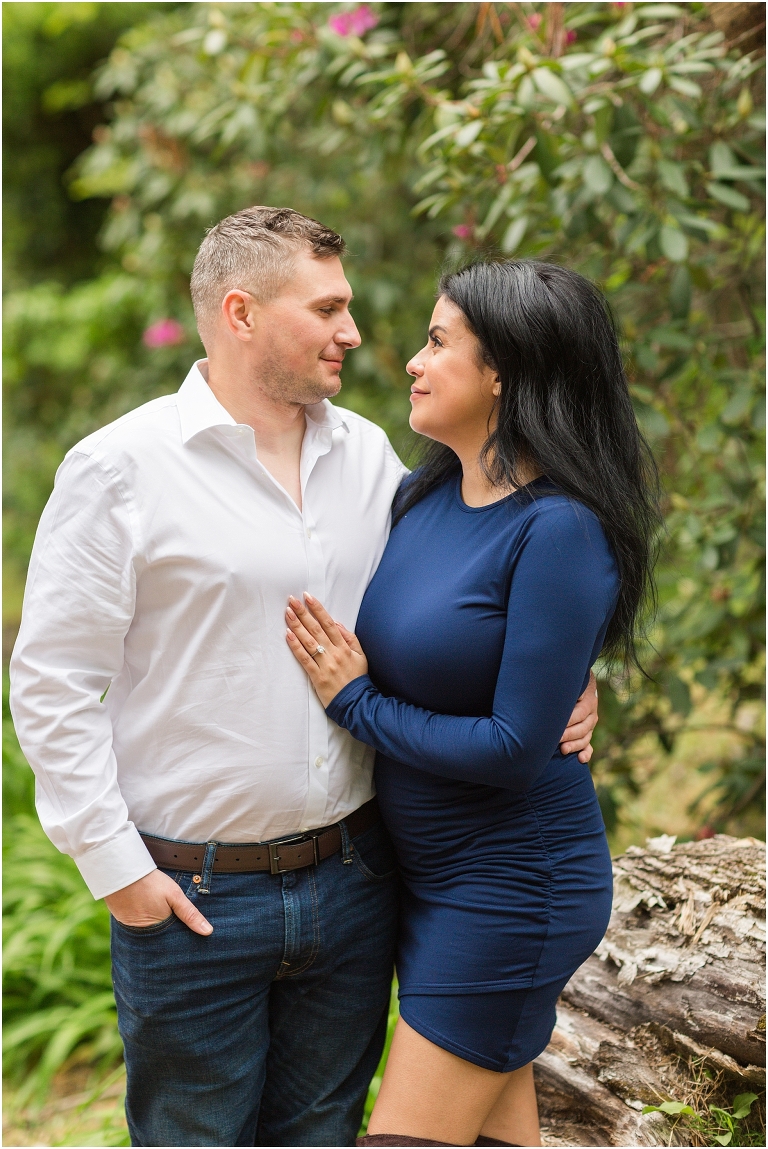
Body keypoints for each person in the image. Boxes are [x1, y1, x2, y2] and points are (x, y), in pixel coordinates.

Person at [10, 213, 599, 1149]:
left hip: (356, 881)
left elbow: (481, 585)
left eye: (350, 307)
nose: (355, 333)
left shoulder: (375, 461)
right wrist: (116, 870)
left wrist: (573, 673)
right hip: (195, 896)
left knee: (323, 1133)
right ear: (242, 313)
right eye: (327, 308)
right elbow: (49, 680)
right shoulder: (122, 468)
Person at [285, 259, 660, 1148]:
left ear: (507, 372)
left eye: (439, 341)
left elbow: (511, 748)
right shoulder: (423, 496)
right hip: (428, 883)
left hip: (512, 888)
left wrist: (355, 702)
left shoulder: (558, 528)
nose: (412, 360)